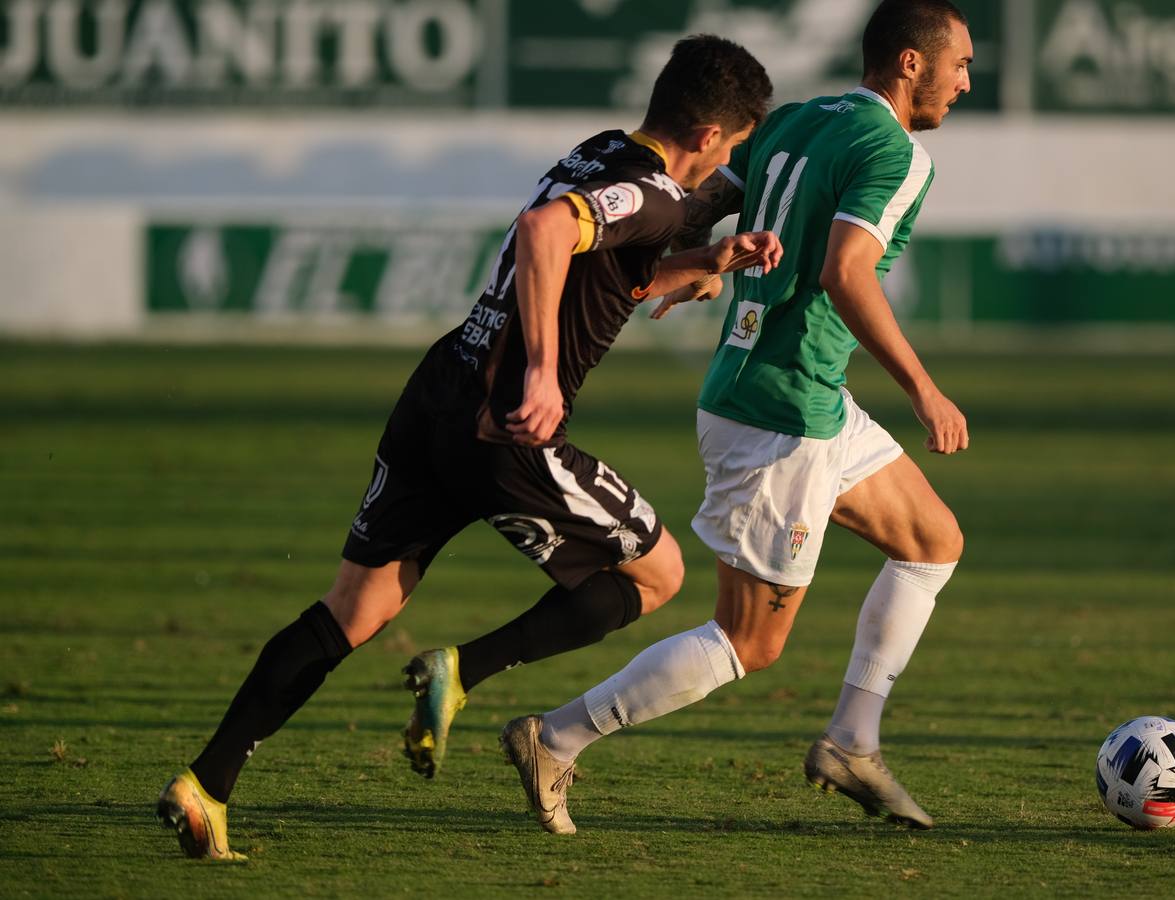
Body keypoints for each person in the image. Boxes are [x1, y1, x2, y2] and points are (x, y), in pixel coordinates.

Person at [156, 34, 778, 860]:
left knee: (355, 610)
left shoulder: (600, 152)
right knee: (657, 575)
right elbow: (544, 232)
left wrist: (703, 261)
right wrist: (547, 372)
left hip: (439, 394)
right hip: (506, 424)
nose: (724, 164)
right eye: (733, 148)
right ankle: (464, 672)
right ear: (708, 137)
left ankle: (207, 784)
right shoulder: (655, 193)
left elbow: (602, 261)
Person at [501, 0, 972, 836]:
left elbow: (709, 196)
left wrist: (698, 266)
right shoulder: (897, 152)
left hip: (801, 396)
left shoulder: (796, 118)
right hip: (780, 413)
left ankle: (852, 742)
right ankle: (556, 737)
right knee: (748, 642)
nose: (966, 81)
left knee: (932, 541)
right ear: (909, 64)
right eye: (960, 64)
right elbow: (846, 273)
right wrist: (924, 389)